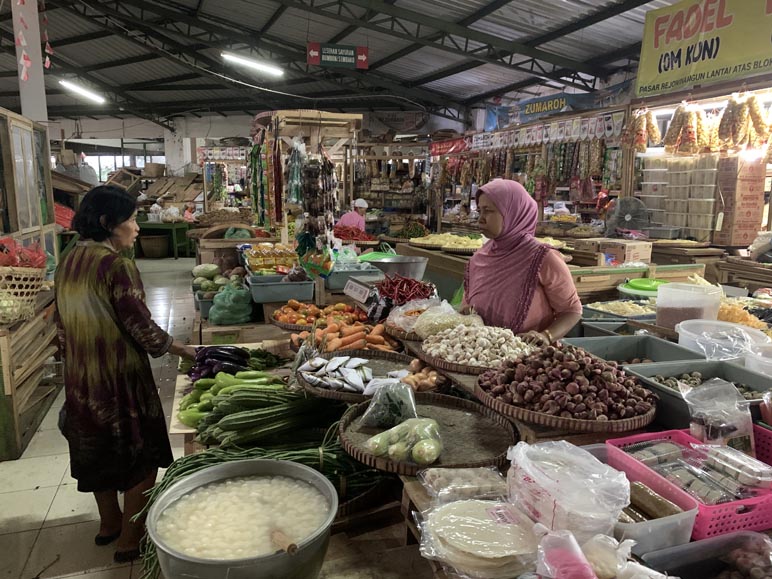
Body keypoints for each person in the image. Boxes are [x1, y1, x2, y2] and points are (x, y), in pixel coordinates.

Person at [55, 185, 197, 562]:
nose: (136, 228)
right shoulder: (116, 264)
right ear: (107, 224)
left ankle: (109, 524)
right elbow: (140, 326)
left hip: (81, 378)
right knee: (140, 455)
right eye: (131, 220)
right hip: (118, 378)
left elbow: (61, 326)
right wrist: (182, 349)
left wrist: (76, 363)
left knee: (96, 449)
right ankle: (130, 540)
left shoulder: (68, 260)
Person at [463, 179, 582, 344]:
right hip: (478, 354)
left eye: (488, 211)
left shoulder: (543, 258)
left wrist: (546, 336)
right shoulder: (479, 258)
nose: (481, 219)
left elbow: (572, 311)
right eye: (480, 211)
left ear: (513, 213)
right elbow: (466, 307)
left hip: (525, 359)